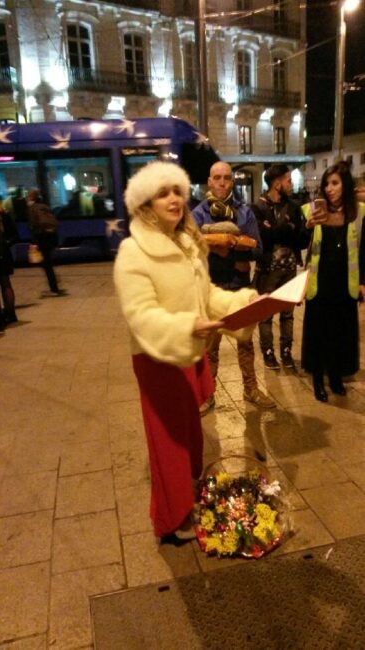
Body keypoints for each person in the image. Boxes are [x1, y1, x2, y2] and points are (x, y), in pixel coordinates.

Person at [113, 161, 257, 546]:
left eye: (177, 190)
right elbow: (141, 316)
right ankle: (170, 519)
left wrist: (242, 304)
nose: (174, 199)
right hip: (158, 357)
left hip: (187, 352)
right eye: (163, 193)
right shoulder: (133, 251)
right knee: (169, 443)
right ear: (145, 203)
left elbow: (205, 296)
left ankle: (189, 494)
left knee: (191, 434)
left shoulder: (187, 241)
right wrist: (186, 327)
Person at [193, 161, 275, 411]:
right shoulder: (198, 214)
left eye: (226, 178)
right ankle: (208, 393)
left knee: (246, 343)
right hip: (212, 288)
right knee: (210, 347)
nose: (221, 182)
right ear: (209, 181)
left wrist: (235, 246)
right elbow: (190, 250)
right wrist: (215, 245)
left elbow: (259, 250)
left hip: (239, 286)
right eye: (216, 177)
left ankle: (250, 389)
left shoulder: (244, 212)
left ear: (232, 181)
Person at [301, 161, 365, 402]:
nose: (329, 188)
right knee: (319, 333)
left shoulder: (359, 212)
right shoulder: (312, 210)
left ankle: (336, 376)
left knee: (341, 332)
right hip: (320, 284)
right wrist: (307, 226)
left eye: (335, 183)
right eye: (326, 184)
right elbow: (298, 241)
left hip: (345, 284)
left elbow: (364, 250)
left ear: (345, 185)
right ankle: (318, 379)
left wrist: (363, 282)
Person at [251, 164, 306, 369]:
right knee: (265, 314)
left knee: (287, 313)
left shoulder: (294, 207)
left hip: (289, 269)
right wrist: (286, 228)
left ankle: (286, 351)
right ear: (277, 184)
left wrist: (281, 229)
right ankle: (268, 351)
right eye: (289, 180)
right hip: (266, 270)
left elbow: (300, 240)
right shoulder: (257, 207)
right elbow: (262, 238)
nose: (292, 185)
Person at [26, 190, 65, 296]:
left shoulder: (32, 208)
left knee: (46, 264)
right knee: (46, 263)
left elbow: (33, 226)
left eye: (28, 197)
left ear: (31, 198)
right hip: (51, 238)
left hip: (42, 238)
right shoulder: (44, 206)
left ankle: (54, 288)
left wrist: (34, 242)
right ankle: (54, 283)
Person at [0, 203, 18, 332]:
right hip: (4, 254)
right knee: (6, 284)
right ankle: (11, 315)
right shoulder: (4, 214)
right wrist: (5, 244)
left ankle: (0, 320)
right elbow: (15, 235)